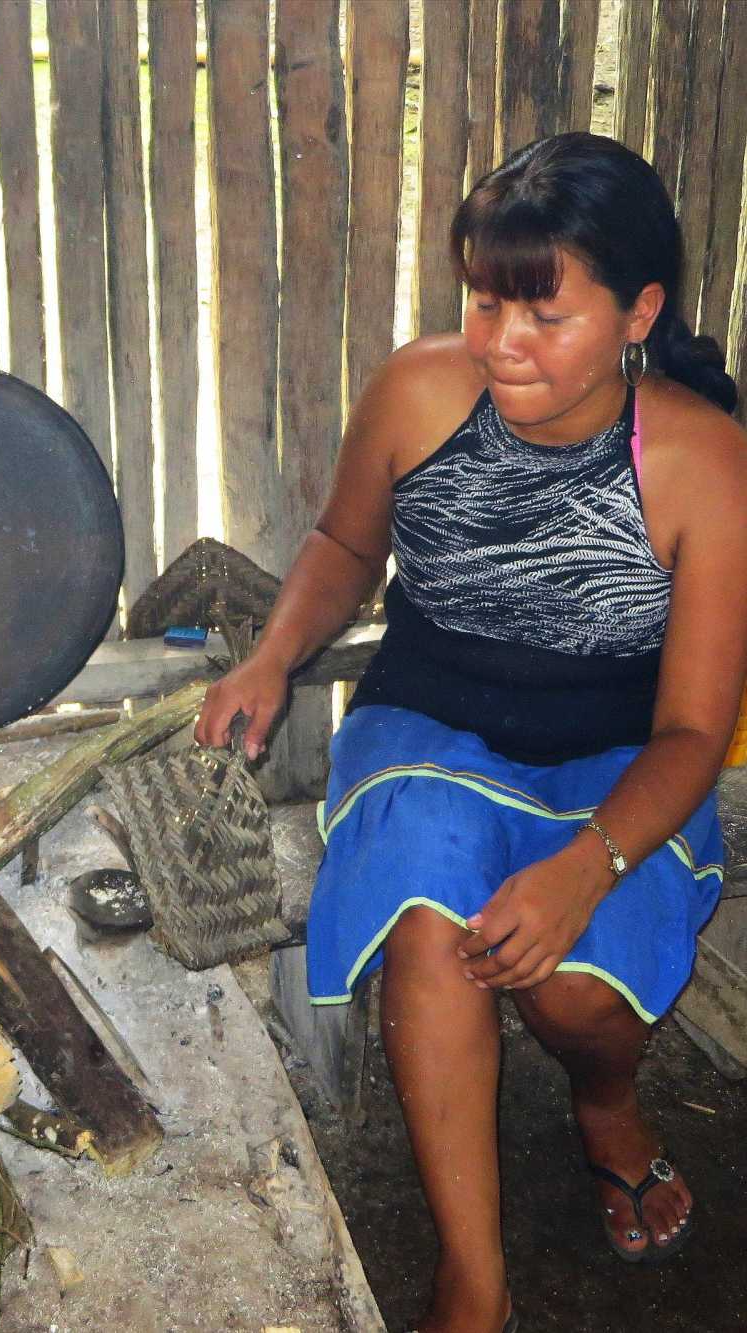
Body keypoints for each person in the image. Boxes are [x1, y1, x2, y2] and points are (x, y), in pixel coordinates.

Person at [194, 130, 747, 1333]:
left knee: (575, 998)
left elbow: (694, 728)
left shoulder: (702, 462)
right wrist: (272, 656)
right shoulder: (418, 392)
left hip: (620, 761)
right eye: (486, 302)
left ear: (638, 312)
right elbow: (345, 543)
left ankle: (604, 1100)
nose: (501, 342)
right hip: (429, 726)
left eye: (545, 315)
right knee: (432, 922)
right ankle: (473, 1279)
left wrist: (584, 864)